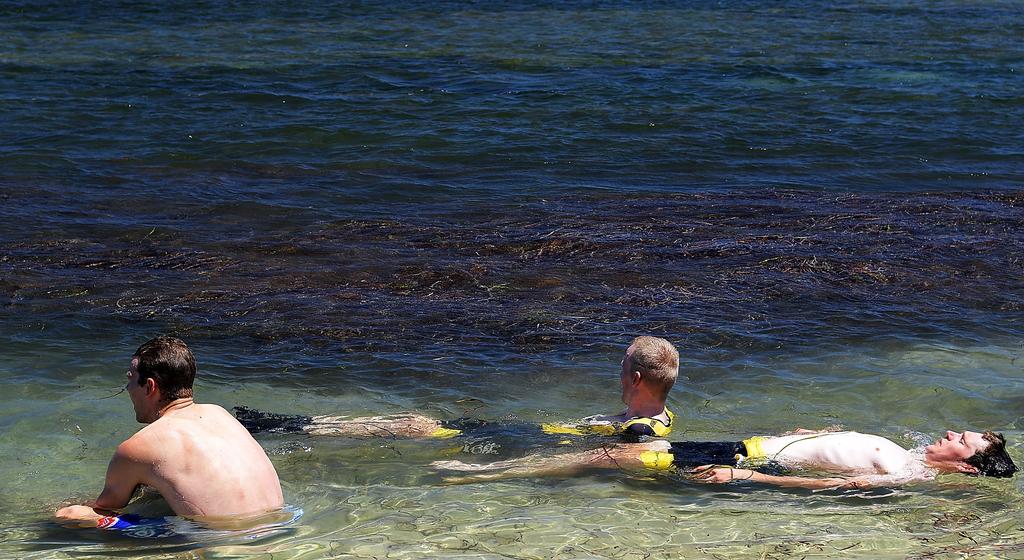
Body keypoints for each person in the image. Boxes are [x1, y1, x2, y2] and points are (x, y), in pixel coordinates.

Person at [235, 335, 680, 441]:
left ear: (635, 379)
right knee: (414, 424)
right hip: (524, 432)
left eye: (621, 366)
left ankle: (291, 427)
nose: (616, 373)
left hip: (523, 440)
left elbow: (591, 457)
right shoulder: (655, 417)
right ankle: (293, 425)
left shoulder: (641, 433)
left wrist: (487, 471)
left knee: (413, 425)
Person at [55, 336, 285, 532]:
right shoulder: (220, 414)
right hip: (282, 526)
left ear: (149, 387)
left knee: (69, 514)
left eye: (130, 380)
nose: (128, 389)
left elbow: (107, 507)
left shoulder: (138, 447)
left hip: (222, 542)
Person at [433, 427, 1017, 489]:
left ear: (964, 466)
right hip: (753, 444)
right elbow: (837, 444)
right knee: (613, 453)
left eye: (960, 441)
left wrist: (748, 474)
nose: (948, 433)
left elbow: (832, 486)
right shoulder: (911, 452)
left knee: (608, 457)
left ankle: (486, 473)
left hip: (747, 458)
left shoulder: (906, 473)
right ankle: (498, 468)